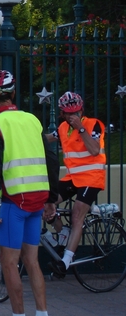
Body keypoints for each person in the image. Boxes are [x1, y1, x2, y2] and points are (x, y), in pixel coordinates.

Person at [0, 70, 59, 316]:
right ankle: (43, 315)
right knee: (32, 260)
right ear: (13, 93)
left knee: (9, 262)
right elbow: (51, 159)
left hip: (15, 201)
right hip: (38, 199)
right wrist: (51, 198)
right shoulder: (32, 120)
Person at [45, 91, 106, 278]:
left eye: (76, 112)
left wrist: (81, 128)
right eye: (68, 113)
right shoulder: (63, 127)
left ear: (82, 110)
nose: (73, 117)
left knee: (77, 213)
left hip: (92, 177)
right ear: (62, 113)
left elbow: (95, 150)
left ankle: (66, 261)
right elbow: (47, 139)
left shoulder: (93, 124)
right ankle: (62, 232)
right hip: (73, 178)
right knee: (45, 203)